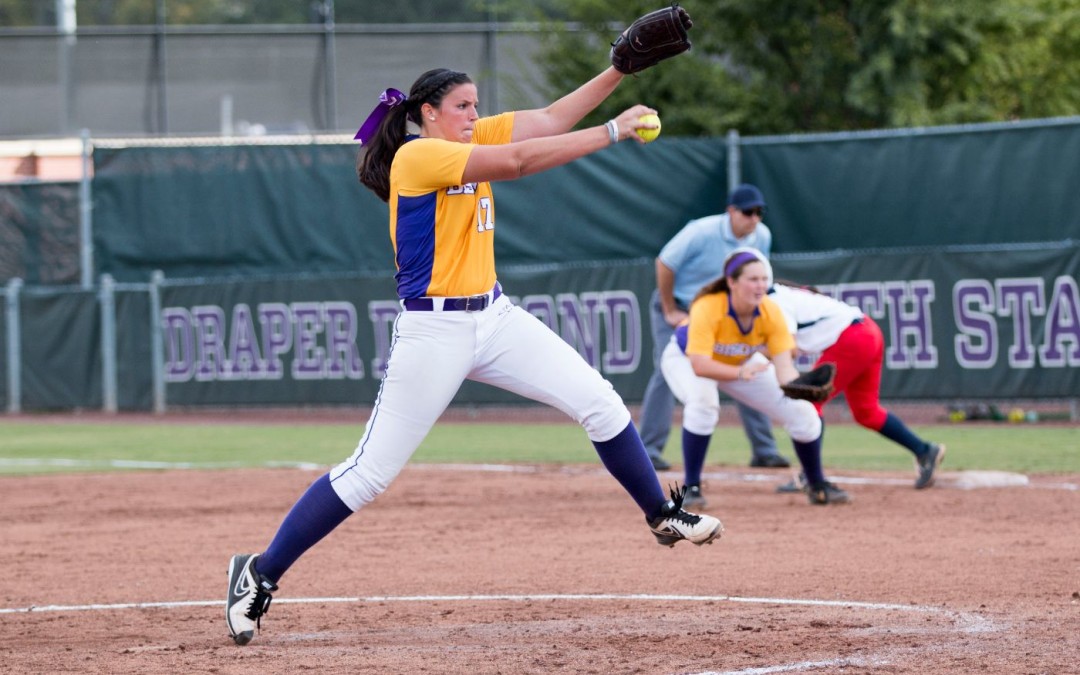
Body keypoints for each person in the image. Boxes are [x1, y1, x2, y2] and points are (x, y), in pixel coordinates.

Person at [223, 58, 723, 645]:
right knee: (368, 475)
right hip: (433, 332)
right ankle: (260, 573)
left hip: (494, 316)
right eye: (463, 106)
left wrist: (619, 68)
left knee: (601, 402)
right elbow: (516, 163)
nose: (474, 115)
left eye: (477, 105)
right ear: (427, 112)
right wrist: (613, 131)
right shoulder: (418, 155)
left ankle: (661, 514)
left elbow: (551, 118)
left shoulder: (466, 135)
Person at [659, 247, 849, 508]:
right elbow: (701, 365)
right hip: (684, 359)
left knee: (803, 413)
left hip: (743, 364)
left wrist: (800, 386)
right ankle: (691, 488)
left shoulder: (771, 313)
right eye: (752, 279)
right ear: (732, 282)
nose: (760, 285)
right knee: (704, 404)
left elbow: (784, 370)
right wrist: (739, 373)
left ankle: (816, 484)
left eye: (763, 279)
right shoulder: (709, 306)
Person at [639, 183, 790, 471]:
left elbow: (758, 278)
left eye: (760, 212)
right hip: (681, 304)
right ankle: (648, 449)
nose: (754, 218)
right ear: (731, 211)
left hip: (722, 311)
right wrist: (671, 309)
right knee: (667, 368)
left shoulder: (762, 236)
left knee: (745, 363)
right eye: (748, 212)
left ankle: (764, 450)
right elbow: (664, 263)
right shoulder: (702, 231)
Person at [767, 281, 945, 492]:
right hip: (866, 330)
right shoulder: (780, 294)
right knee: (866, 412)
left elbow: (790, 347)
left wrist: (751, 356)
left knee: (810, 401)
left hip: (852, 338)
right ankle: (924, 450)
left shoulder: (772, 301)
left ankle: (809, 475)